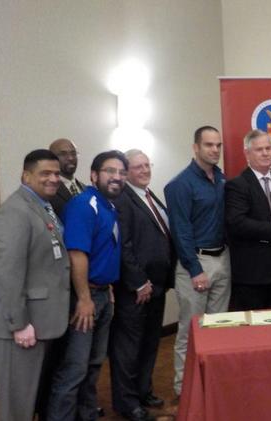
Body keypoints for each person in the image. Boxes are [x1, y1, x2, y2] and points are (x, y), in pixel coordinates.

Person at [0, 150, 70, 421]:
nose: (53, 179)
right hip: (21, 325)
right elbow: (7, 273)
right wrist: (19, 323)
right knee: (17, 406)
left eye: (56, 173)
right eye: (45, 173)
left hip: (42, 320)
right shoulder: (14, 212)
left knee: (30, 400)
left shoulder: (41, 206)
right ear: (26, 176)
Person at [47, 150, 129, 421]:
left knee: (93, 365)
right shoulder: (84, 204)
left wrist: (108, 289)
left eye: (122, 172)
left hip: (102, 295)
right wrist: (84, 299)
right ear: (94, 175)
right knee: (75, 369)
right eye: (110, 171)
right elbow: (76, 254)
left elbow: (104, 251)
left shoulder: (108, 206)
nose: (117, 177)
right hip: (85, 299)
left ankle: (87, 414)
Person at [164, 126, 230, 397]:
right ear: (195, 147)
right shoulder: (180, 185)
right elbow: (181, 231)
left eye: (218, 145)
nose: (215, 150)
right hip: (196, 264)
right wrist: (195, 269)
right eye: (208, 145)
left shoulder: (221, 178)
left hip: (223, 259)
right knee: (191, 331)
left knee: (219, 328)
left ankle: (212, 385)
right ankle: (185, 391)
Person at [110, 150, 175, 418]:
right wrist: (138, 282)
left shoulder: (149, 195)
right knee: (128, 349)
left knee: (150, 343)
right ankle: (127, 403)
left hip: (157, 285)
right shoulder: (123, 200)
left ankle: (143, 390)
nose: (145, 170)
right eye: (138, 166)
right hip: (136, 289)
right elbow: (123, 245)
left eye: (147, 165)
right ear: (126, 172)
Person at [225, 130, 271, 310]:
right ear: (247, 153)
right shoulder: (237, 185)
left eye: (268, 148)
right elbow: (237, 223)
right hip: (252, 273)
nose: (265, 153)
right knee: (253, 325)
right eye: (259, 149)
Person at [49, 138, 86, 218]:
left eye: (73, 153)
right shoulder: (48, 189)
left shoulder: (85, 189)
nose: (70, 158)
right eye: (63, 154)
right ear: (51, 158)